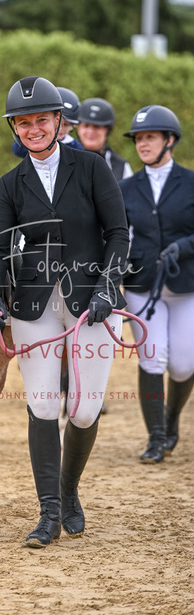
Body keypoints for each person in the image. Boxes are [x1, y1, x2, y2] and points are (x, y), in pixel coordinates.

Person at [0, 76, 129, 547]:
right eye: (23, 123)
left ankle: (68, 492)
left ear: (59, 121)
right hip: (34, 304)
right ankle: (48, 513)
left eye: (41, 120)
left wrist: (108, 287)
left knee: (84, 412)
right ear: (15, 129)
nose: (33, 129)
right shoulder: (10, 183)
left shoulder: (91, 168)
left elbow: (118, 233)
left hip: (93, 301)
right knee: (44, 405)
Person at [120, 105, 194, 464]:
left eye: (150, 137)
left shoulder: (191, 182)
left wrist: (184, 246)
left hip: (185, 285)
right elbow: (116, 234)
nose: (142, 144)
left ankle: (171, 418)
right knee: (152, 358)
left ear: (170, 140)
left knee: (183, 365)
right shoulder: (125, 188)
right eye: (138, 139)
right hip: (141, 286)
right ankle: (156, 437)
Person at [12, 86, 84, 158]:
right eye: (57, 123)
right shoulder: (33, 142)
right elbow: (18, 149)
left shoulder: (77, 147)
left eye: (65, 125)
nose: (60, 128)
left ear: (72, 126)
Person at [77, 97, 133, 180]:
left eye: (96, 126)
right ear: (78, 128)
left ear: (107, 130)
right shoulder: (64, 157)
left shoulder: (120, 166)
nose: (90, 131)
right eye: (86, 126)